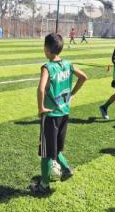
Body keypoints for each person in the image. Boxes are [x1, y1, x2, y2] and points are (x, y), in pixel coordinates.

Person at [29, 33, 88, 195]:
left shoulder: (47, 67)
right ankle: (66, 168)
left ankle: (43, 185)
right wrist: (72, 94)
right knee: (57, 149)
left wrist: (41, 108)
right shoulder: (68, 64)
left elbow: (41, 88)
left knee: (46, 153)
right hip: (64, 113)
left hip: (51, 115)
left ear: (46, 49)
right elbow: (84, 77)